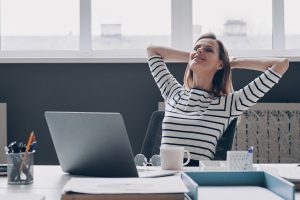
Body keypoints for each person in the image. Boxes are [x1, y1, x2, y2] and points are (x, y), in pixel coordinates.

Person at [147, 32, 289, 165]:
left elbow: (281, 64)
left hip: (198, 178)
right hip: (164, 175)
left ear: (221, 64)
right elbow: (152, 50)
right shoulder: (173, 93)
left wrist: (233, 62)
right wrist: (196, 56)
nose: (200, 50)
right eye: (196, 48)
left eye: (208, 49)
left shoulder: (229, 104)